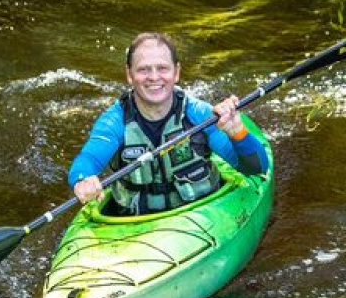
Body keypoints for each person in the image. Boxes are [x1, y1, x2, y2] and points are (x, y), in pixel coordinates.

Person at [69, 32, 270, 215]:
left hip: (202, 210)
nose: (154, 77)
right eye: (143, 70)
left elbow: (256, 168)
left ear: (176, 72)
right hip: (136, 220)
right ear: (129, 74)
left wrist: (238, 133)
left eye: (163, 68)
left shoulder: (199, 114)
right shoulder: (115, 121)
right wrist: (82, 179)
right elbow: (88, 159)